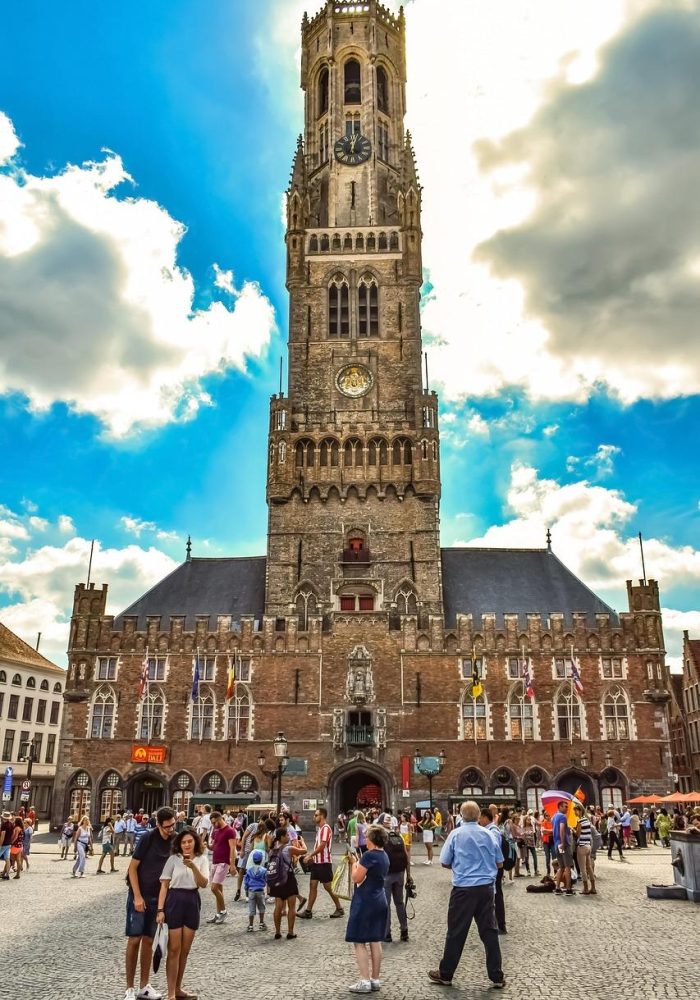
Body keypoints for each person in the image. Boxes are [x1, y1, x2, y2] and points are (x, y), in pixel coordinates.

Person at [428, 801, 505, 990]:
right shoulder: (489, 834)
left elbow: (445, 862)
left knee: (456, 932)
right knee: (490, 932)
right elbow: (500, 863)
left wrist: (461, 865)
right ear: (479, 816)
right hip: (486, 889)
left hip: (463, 889)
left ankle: (446, 974)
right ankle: (497, 976)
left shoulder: (455, 834)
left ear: (461, 815)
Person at [124, 805, 177, 1000]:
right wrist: (137, 896)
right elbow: (132, 868)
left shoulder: (174, 839)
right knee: (134, 939)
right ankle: (129, 989)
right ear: (158, 825)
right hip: (140, 894)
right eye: (167, 827)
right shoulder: (148, 838)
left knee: (148, 941)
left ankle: (144, 986)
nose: (171, 829)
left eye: (173, 825)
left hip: (158, 898)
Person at [156, 826, 209, 1000]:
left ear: (195, 842)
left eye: (189, 841)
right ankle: (171, 993)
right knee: (174, 949)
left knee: (185, 950)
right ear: (180, 844)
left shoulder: (202, 859)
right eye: (183, 842)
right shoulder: (173, 859)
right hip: (174, 900)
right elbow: (164, 885)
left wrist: (193, 866)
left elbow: (203, 883)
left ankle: (178, 988)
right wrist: (160, 909)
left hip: (192, 900)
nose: (186, 845)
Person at [346, 823, 390, 993]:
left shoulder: (368, 856)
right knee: (375, 940)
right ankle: (375, 979)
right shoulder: (384, 855)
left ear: (371, 839)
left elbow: (357, 878)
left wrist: (354, 864)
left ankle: (364, 980)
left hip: (365, 900)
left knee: (359, 940)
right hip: (380, 899)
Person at [299, 806, 344, 920]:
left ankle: (339, 908)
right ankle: (308, 911)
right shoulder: (320, 829)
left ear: (322, 816)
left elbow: (322, 846)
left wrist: (310, 855)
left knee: (328, 887)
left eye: (316, 815)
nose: (314, 817)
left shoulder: (325, 828)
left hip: (324, 862)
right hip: (317, 862)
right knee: (312, 885)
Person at [267, 826, 306, 939]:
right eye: (287, 835)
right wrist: (302, 842)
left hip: (276, 879)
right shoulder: (288, 849)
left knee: (278, 906)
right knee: (292, 906)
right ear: (282, 837)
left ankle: (278, 932)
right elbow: (304, 851)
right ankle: (290, 932)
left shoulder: (272, 850)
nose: (288, 837)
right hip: (288, 878)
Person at [381, 813, 409, 943]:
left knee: (386, 905)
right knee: (399, 903)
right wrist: (409, 875)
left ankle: (387, 934)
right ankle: (404, 931)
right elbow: (406, 855)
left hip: (386, 875)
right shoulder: (399, 836)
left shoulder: (381, 838)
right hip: (400, 874)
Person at [478, 807, 506, 935]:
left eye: (480, 818)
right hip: (493, 866)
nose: (479, 821)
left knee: (497, 895)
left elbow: (494, 849)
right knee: (493, 894)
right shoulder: (489, 830)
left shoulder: (493, 831)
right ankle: (494, 922)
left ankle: (500, 925)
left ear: (484, 817)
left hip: (495, 866)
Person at [206, 811, 237, 925]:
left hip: (223, 862)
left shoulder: (230, 831)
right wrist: (207, 846)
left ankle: (223, 911)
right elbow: (214, 847)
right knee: (218, 888)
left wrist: (232, 865)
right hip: (215, 861)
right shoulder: (216, 831)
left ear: (219, 819)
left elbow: (232, 848)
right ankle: (219, 913)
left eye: (214, 823)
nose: (213, 825)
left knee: (214, 888)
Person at [552, 801, 574, 895]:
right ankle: (568, 889)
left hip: (556, 844)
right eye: (565, 806)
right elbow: (561, 829)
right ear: (560, 807)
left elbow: (555, 829)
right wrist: (563, 842)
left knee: (561, 867)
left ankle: (557, 888)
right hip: (563, 844)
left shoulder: (554, 817)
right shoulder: (562, 817)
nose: (567, 808)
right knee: (568, 866)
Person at [573, 804, 596, 895]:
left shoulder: (580, 821)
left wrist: (573, 830)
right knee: (589, 868)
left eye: (576, 810)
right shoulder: (587, 820)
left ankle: (586, 888)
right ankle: (593, 887)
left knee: (582, 869)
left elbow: (577, 834)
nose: (575, 812)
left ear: (580, 810)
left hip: (582, 846)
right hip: (588, 846)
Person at [243, 849, 268, 932]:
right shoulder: (264, 870)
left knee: (251, 909)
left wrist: (246, 889)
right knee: (261, 907)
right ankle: (261, 923)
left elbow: (246, 881)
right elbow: (267, 879)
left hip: (251, 891)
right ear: (261, 860)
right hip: (260, 891)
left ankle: (250, 925)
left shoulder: (249, 870)